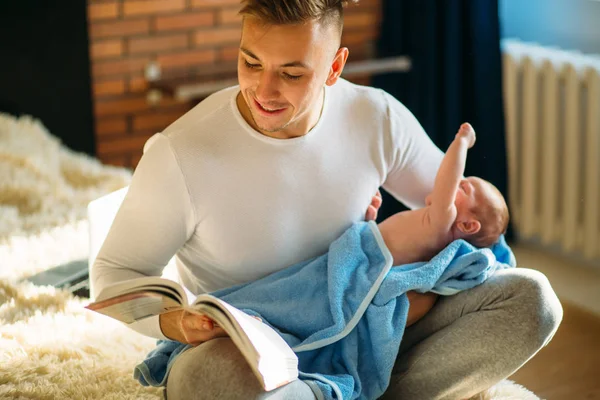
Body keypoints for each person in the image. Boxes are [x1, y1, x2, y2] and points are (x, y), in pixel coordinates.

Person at [90, 1, 563, 399]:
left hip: (365, 330)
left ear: (335, 66)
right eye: (250, 62)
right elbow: (114, 275)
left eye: (292, 73)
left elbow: (463, 220)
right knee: (210, 376)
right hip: (249, 352)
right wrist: (174, 324)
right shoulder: (181, 153)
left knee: (533, 301)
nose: (263, 90)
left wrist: (427, 284)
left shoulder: (374, 117)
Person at [378, 122, 510, 268]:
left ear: (467, 225)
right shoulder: (435, 221)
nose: (458, 180)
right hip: (373, 238)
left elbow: (447, 177)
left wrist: (462, 141)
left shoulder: (442, 224)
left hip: (374, 253)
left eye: (463, 188)